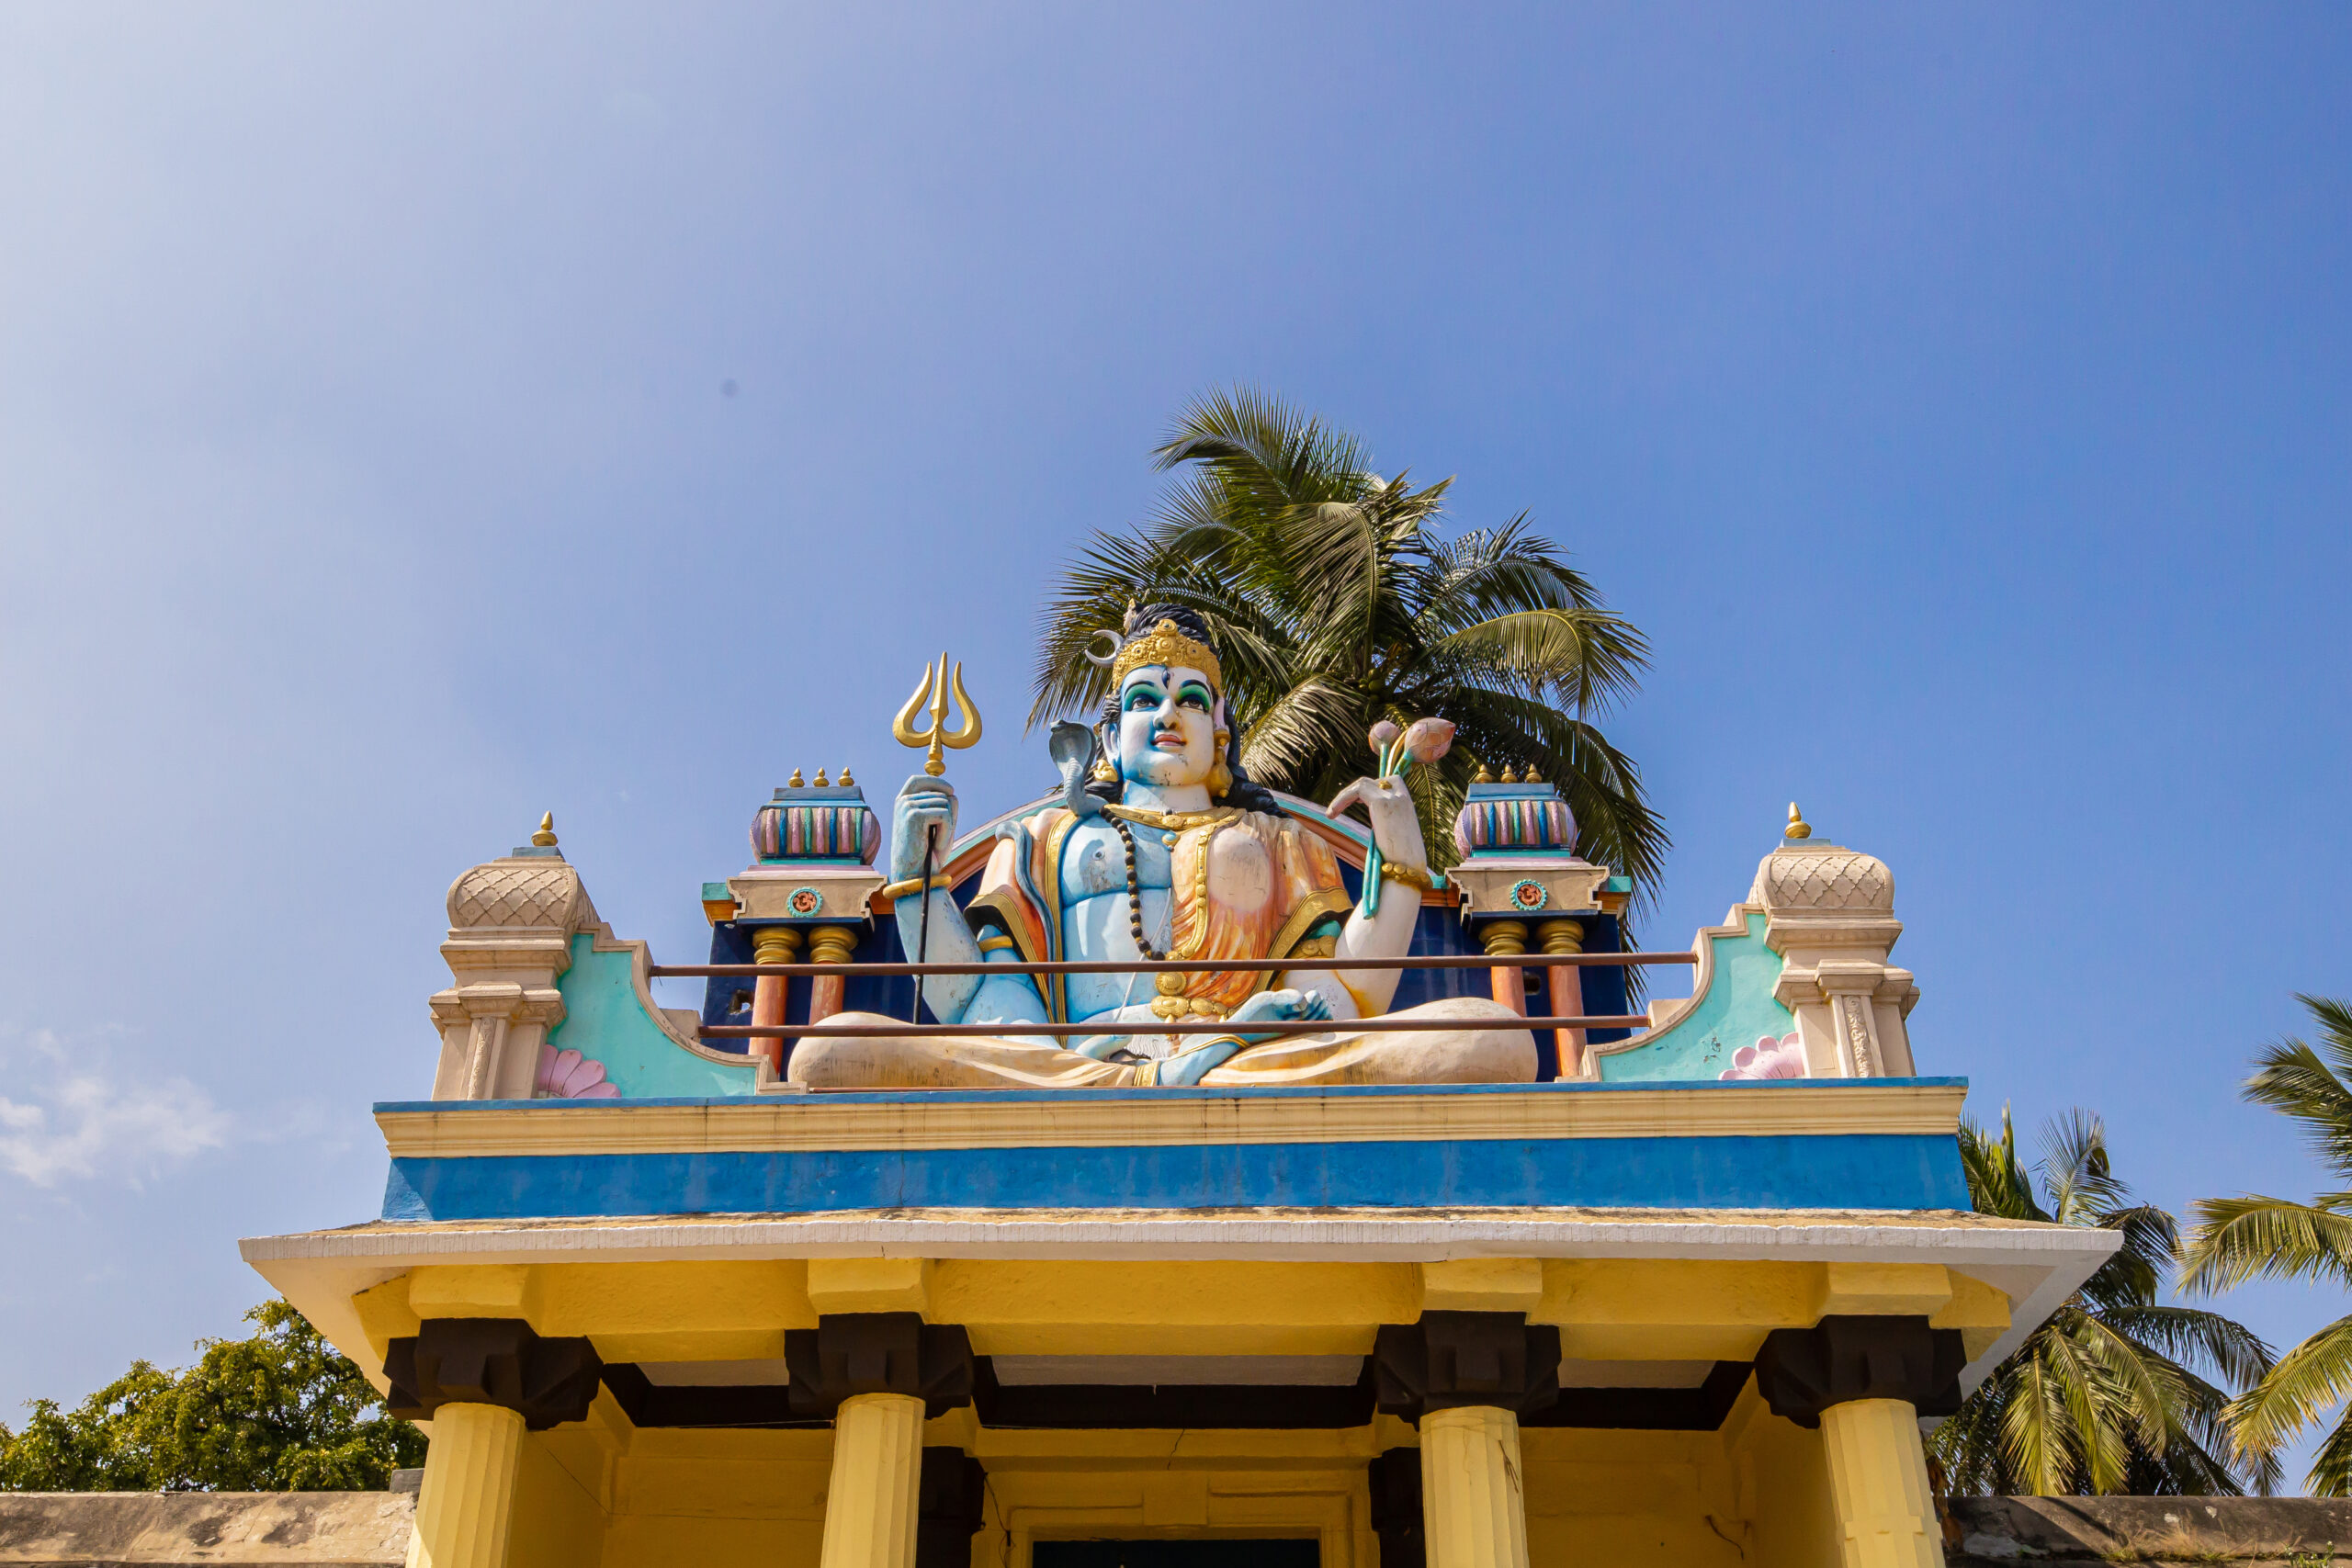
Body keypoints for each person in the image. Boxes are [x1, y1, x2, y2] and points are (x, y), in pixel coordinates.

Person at [786, 605, 1533, 1089]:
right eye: (1144, 699)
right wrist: (915, 874)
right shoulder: (1047, 837)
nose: (1168, 714)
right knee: (833, 1050)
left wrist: (1397, 857)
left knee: (1488, 1039)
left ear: (1221, 735)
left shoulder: (1275, 838)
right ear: (1108, 738)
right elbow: (977, 1002)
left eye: (1191, 701)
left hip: (1251, 1064)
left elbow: (1343, 997)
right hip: (1074, 1069)